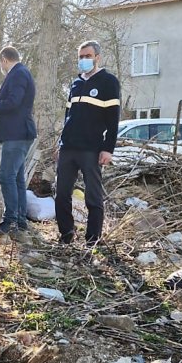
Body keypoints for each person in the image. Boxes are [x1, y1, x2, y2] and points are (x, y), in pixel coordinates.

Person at [53, 40, 121, 245]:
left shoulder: (108, 82)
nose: (84, 60)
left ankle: (92, 239)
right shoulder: (76, 83)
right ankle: (66, 235)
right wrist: (60, 142)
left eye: (87, 56)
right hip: (68, 148)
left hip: (91, 149)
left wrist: (108, 149)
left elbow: (113, 120)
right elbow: (68, 116)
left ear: (97, 58)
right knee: (62, 193)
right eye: (81, 57)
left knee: (93, 195)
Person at [0, 45, 37, 235]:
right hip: (20, 133)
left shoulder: (17, 74)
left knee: (6, 175)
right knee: (17, 178)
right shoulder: (23, 72)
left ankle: (10, 221)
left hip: (16, 133)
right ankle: (19, 220)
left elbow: (13, 101)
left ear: (4, 60)